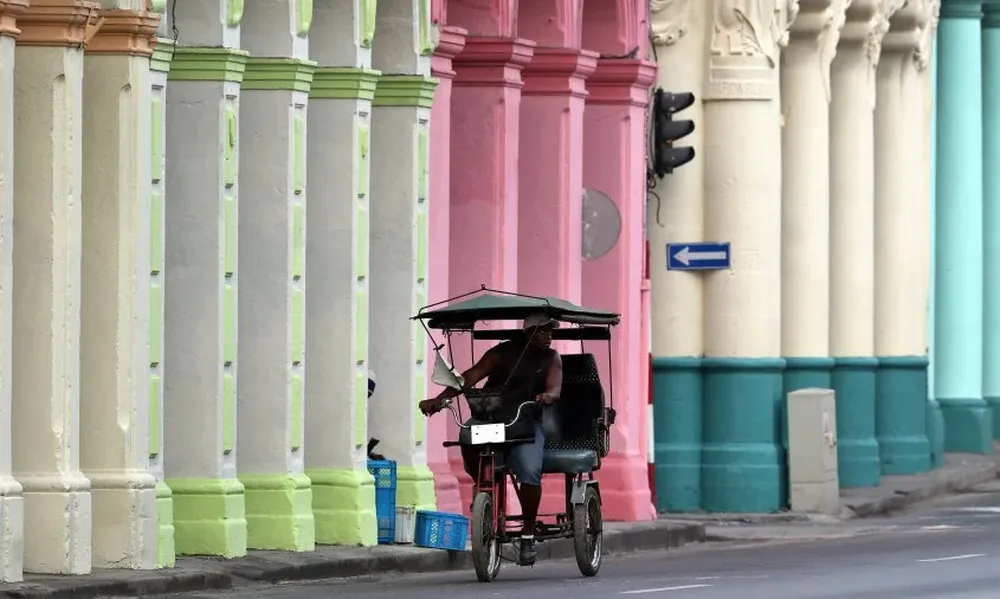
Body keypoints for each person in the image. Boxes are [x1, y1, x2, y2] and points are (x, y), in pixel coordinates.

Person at [419, 312, 563, 566]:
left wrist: (548, 396)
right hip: (492, 418)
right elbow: (469, 377)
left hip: (525, 423)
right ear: (528, 332)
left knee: (529, 470)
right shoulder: (501, 352)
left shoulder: (552, 358)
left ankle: (528, 533)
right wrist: (440, 399)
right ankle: (482, 487)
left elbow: (555, 388)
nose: (548, 335)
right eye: (542, 330)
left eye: (550, 331)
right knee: (467, 435)